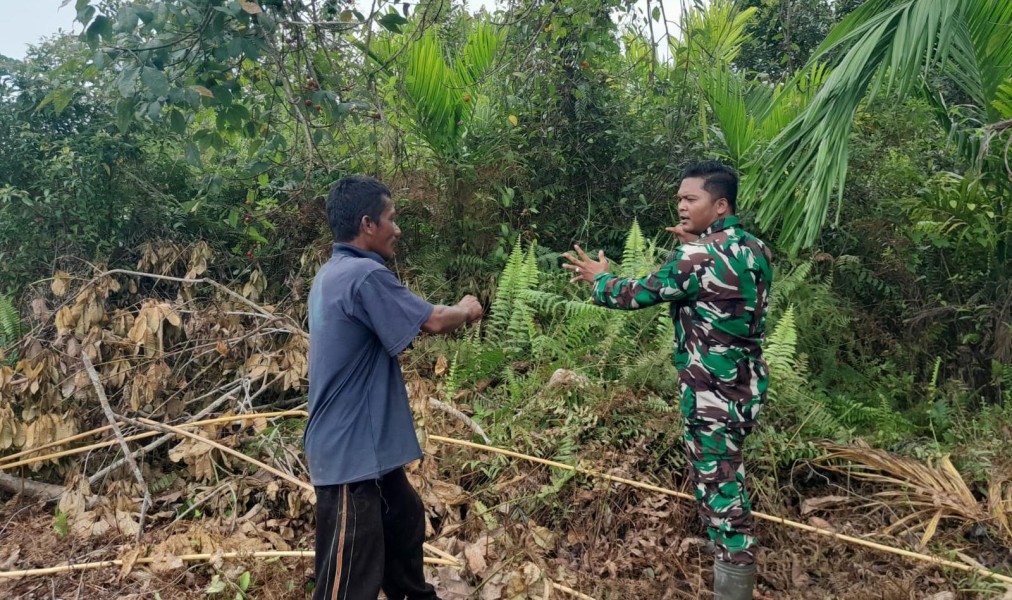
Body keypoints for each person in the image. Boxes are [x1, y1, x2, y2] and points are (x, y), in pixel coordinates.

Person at [562, 161, 772, 600]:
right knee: (724, 473)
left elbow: (637, 293)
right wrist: (696, 244)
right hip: (745, 386)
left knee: (721, 489)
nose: (680, 205)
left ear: (719, 205)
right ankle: (725, 554)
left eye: (689, 199)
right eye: (679, 197)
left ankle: (733, 575)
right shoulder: (755, 248)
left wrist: (599, 279)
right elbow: (723, 288)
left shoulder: (694, 256)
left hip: (711, 392)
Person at [305, 175, 482, 600]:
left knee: (403, 519)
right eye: (391, 218)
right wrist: (468, 309)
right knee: (347, 584)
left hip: (366, 452)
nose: (397, 229)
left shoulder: (332, 273)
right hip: (349, 455)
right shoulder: (363, 275)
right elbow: (434, 321)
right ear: (368, 224)